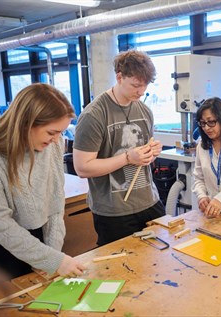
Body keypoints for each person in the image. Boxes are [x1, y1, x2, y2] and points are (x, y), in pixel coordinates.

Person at [0, 83, 85, 279]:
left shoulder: (53, 146)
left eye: (61, 132)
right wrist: (52, 260)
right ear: (26, 123)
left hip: (33, 237)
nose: (57, 140)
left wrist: (51, 254)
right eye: (51, 132)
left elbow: (56, 203)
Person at [73, 49, 164, 246]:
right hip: (114, 211)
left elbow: (143, 157)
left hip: (150, 202)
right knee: (120, 269)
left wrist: (151, 152)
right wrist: (127, 158)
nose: (141, 91)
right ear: (119, 77)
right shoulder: (94, 115)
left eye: (145, 85)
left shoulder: (144, 110)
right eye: (136, 85)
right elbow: (82, 168)